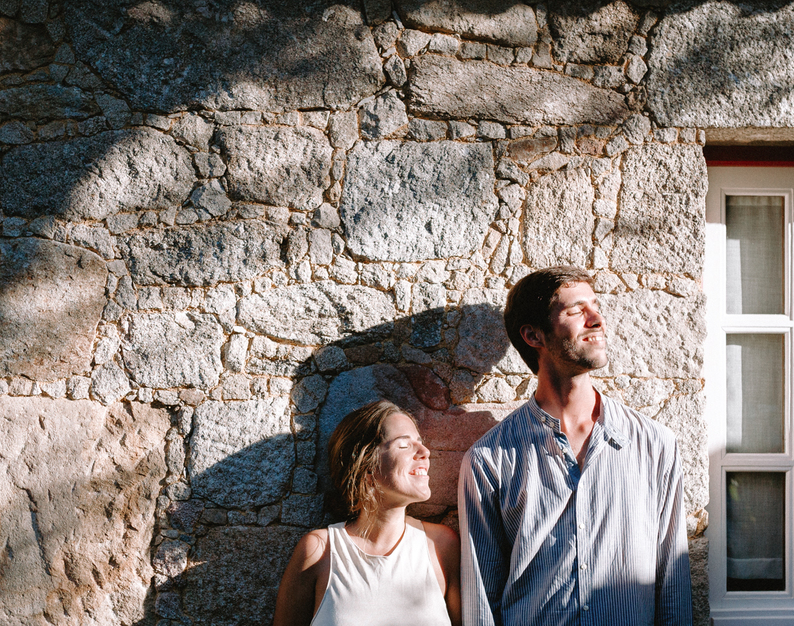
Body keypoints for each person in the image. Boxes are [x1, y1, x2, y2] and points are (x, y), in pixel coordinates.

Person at [459, 266, 692, 625]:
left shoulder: (654, 444)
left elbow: (672, 581)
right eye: (575, 311)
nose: (597, 319)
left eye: (595, 306)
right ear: (534, 335)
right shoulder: (490, 459)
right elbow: (481, 598)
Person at [273, 399, 461, 626]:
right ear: (366, 467)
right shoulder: (319, 551)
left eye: (420, 442)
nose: (425, 452)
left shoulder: (441, 546)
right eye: (404, 445)